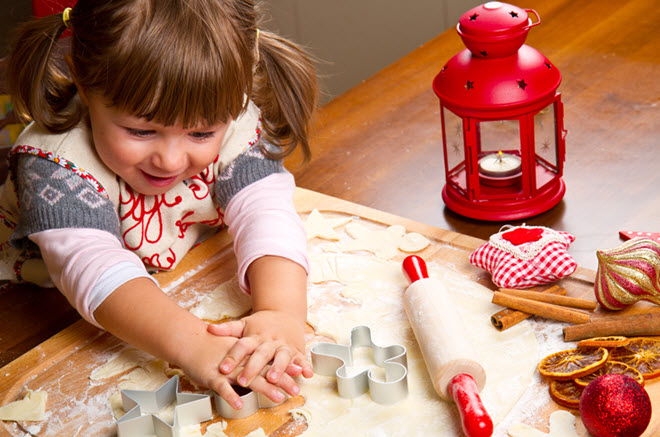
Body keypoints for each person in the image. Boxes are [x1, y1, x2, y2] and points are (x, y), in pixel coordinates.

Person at [1, 0, 318, 411]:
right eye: (141, 130)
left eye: (201, 134)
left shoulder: (231, 114)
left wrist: (282, 311)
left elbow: (266, 210)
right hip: (41, 309)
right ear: (82, 77)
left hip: (178, 270)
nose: (170, 160)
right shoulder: (53, 164)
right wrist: (193, 345)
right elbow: (93, 268)